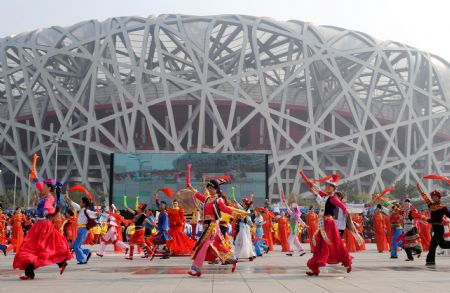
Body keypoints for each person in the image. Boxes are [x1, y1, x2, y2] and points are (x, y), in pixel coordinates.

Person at [13, 169, 71, 280]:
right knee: (34, 247)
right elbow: (38, 183)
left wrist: (47, 210)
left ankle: (31, 271)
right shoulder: (45, 194)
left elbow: (49, 207)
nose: (42, 187)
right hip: (39, 225)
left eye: (44, 186)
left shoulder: (49, 198)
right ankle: (59, 263)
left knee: (37, 248)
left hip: (43, 225)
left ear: (49, 188)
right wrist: (34, 175)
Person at [186, 179, 246, 277]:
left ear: (216, 189)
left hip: (213, 226)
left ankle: (196, 269)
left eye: (212, 188)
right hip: (206, 226)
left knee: (204, 246)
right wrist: (190, 187)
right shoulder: (206, 199)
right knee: (217, 245)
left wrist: (235, 214)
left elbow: (225, 208)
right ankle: (232, 258)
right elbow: (197, 194)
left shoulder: (218, 199)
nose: (210, 190)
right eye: (208, 188)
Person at [301, 172, 354, 276]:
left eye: (329, 186)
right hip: (323, 223)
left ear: (333, 188)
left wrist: (348, 217)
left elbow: (343, 207)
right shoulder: (326, 196)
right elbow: (317, 190)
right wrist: (306, 179)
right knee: (320, 245)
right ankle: (315, 268)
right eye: (326, 186)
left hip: (329, 223)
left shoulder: (334, 198)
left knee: (333, 244)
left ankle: (347, 262)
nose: (326, 187)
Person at [416, 182, 450, 265]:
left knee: (432, 245)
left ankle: (430, 261)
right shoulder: (431, 205)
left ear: (439, 197)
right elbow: (425, 197)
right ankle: (430, 260)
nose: (434, 198)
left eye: (436, 197)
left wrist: (427, 219)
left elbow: (448, 216)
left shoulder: (443, 207)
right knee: (443, 245)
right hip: (434, 228)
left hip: (439, 228)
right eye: (433, 197)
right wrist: (419, 187)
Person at [65, 195, 98, 264]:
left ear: (84, 203)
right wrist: (68, 198)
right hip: (80, 230)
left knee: (76, 246)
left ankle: (83, 259)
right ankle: (86, 252)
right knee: (76, 246)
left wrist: (99, 213)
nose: (80, 203)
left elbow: (95, 214)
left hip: (83, 230)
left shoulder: (86, 211)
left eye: (81, 202)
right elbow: (73, 203)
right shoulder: (80, 209)